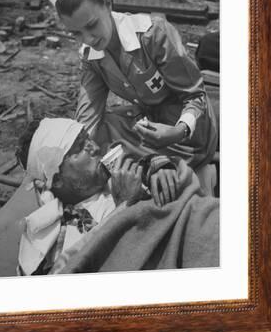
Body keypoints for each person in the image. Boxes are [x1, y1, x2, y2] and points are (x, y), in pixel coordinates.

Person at [43, 0, 218, 170]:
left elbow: (195, 95)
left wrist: (178, 131)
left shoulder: (153, 34)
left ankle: (154, 165)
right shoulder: (91, 57)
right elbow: (89, 114)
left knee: (122, 160)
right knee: (98, 130)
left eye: (91, 25)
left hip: (188, 135)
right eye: (76, 33)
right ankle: (146, 164)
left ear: (107, 4)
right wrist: (73, 152)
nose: (88, 38)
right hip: (148, 128)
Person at [16, 117, 219, 276]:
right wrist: (124, 208)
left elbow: (184, 192)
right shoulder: (49, 242)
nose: (95, 148)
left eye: (88, 138)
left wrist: (159, 166)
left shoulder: (121, 177)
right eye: (80, 148)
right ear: (58, 179)